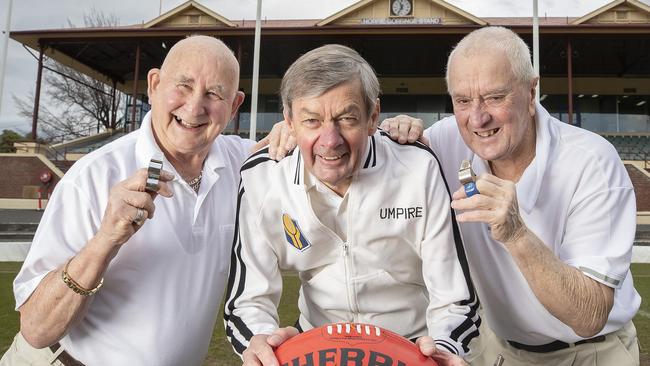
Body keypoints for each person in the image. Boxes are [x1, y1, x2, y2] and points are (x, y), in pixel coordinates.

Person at [377, 27, 640, 365]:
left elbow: (589, 316)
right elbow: (360, 155)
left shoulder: (592, 162)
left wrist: (516, 233)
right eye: (462, 100)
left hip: (591, 352)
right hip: (500, 349)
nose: (478, 117)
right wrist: (292, 136)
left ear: (531, 94)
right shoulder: (443, 142)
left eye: (494, 97)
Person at [0, 35, 255, 366]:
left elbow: (313, 143)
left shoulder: (245, 162)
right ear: (154, 85)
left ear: (234, 105)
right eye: (184, 86)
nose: (194, 108)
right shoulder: (92, 176)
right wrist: (107, 239)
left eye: (214, 93)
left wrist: (289, 130)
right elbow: (36, 329)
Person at [223, 44, 479, 366]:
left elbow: (454, 298)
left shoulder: (418, 167)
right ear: (289, 121)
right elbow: (248, 300)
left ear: (373, 117)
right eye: (312, 120)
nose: (330, 141)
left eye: (346, 118)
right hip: (315, 348)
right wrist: (260, 341)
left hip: (410, 348)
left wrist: (443, 347)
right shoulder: (262, 176)